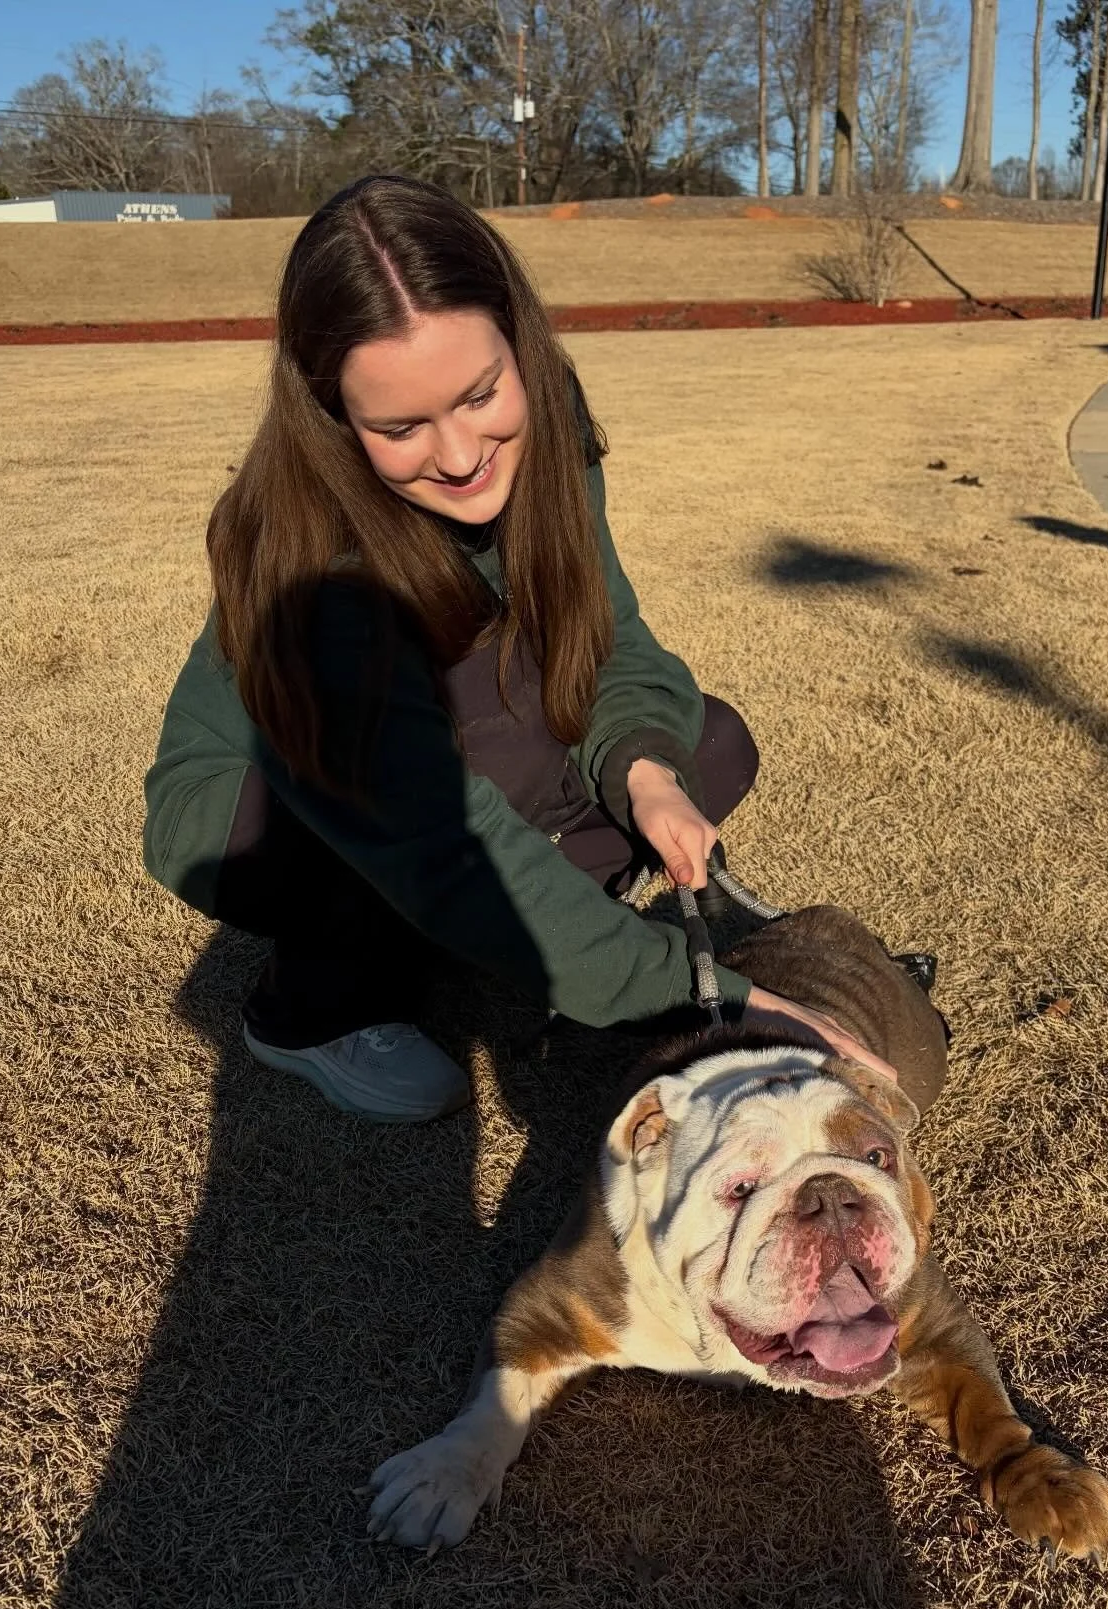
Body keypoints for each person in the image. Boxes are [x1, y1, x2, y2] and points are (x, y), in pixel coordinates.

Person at [144, 175, 884, 1123]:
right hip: (264, 812)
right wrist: (696, 991)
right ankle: (313, 1010)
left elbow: (603, 631)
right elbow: (429, 827)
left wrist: (644, 768)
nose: (458, 456)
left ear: (518, 341)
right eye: (399, 427)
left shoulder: (550, 426)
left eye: (481, 393)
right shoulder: (318, 569)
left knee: (707, 746)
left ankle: (501, 933)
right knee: (460, 794)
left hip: (459, 735)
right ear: (332, 415)